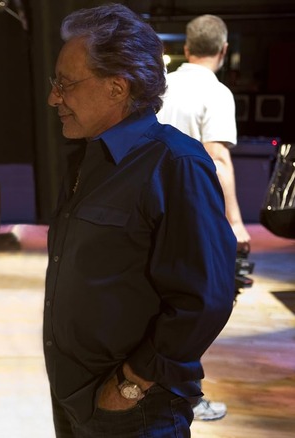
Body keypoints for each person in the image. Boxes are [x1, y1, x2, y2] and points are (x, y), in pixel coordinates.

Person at [43, 4, 236, 436]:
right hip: (75, 398)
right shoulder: (86, 158)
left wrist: (129, 384)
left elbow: (205, 299)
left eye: (66, 84)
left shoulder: (176, 163)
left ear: (116, 88)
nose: (54, 97)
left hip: (135, 411)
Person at [157, 14, 241, 422]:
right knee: (198, 303)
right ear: (223, 51)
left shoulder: (163, 82)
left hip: (152, 204)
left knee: (159, 300)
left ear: (187, 48)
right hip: (192, 210)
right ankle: (186, 396)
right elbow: (218, 156)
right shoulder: (216, 92)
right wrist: (236, 221)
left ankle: (157, 386)